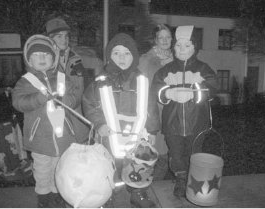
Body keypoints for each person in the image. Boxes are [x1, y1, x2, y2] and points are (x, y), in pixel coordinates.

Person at [82, 33, 160, 208]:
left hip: (138, 136)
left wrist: (153, 130)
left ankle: (137, 193)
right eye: (116, 53)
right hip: (109, 137)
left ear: (134, 56)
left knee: (138, 166)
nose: (121, 58)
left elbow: (151, 106)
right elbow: (89, 103)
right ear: (109, 56)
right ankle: (107, 195)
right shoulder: (100, 81)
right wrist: (99, 123)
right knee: (108, 168)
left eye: (126, 53)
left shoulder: (142, 80)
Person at [151, 25, 218, 199]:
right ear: (174, 47)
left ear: (195, 47)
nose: (182, 49)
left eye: (187, 45)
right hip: (172, 123)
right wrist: (168, 93)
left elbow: (212, 88)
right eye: (179, 45)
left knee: (194, 153)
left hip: (197, 123)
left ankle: (193, 181)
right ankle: (181, 179)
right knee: (175, 154)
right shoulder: (166, 70)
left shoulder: (203, 69)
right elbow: (156, 88)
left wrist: (194, 93)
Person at [12, 34, 78, 207]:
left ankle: (58, 194)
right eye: (36, 55)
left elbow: (74, 96)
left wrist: (65, 101)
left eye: (46, 54)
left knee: (60, 168)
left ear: (54, 58)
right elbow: (18, 102)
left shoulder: (63, 78)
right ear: (29, 59)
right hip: (40, 138)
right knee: (42, 169)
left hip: (63, 137)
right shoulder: (25, 81)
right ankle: (43, 196)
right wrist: (38, 99)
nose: (42, 57)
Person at [46, 17, 90, 144]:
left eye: (66, 36)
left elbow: (82, 89)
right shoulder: (44, 61)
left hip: (76, 116)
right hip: (53, 120)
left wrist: (68, 102)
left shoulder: (75, 60)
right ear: (50, 38)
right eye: (59, 36)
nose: (64, 40)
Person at [138, 24, 173, 181]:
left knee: (167, 155)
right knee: (152, 154)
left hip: (172, 113)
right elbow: (140, 87)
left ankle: (157, 189)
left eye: (168, 37)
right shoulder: (146, 59)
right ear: (155, 40)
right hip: (153, 112)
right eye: (161, 37)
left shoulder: (178, 58)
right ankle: (144, 188)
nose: (165, 40)